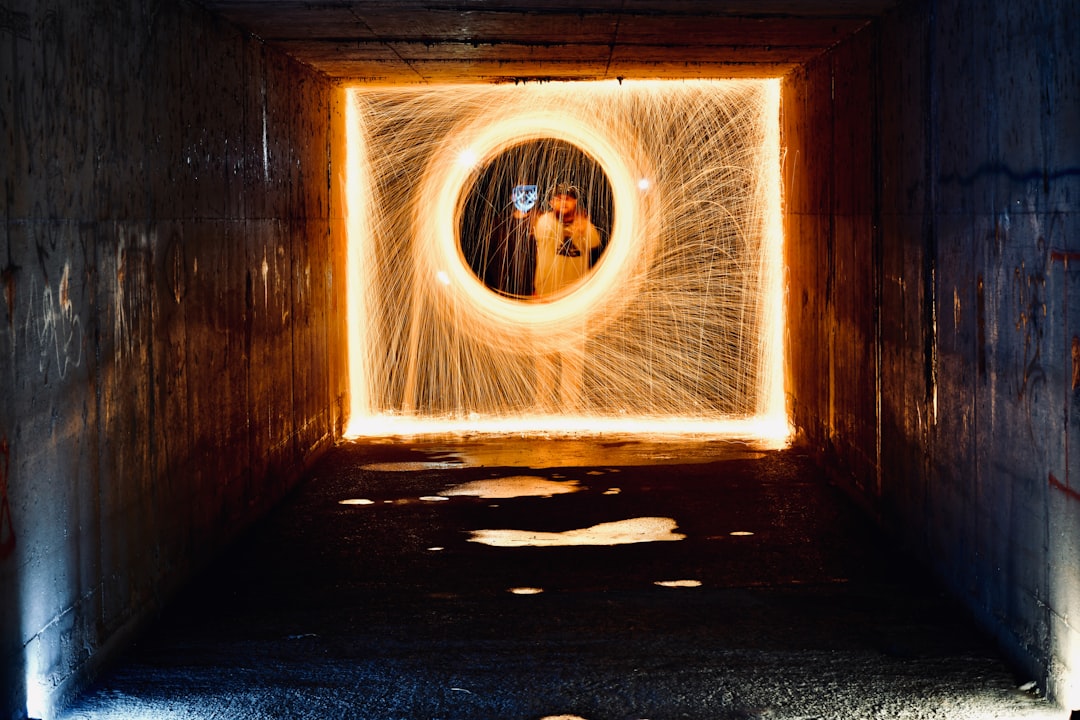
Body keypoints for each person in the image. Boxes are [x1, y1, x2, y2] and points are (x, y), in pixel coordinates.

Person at [530, 183, 602, 413]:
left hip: (574, 304)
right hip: (545, 302)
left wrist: (583, 227)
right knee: (544, 359)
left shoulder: (586, 227)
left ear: (575, 203)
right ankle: (543, 407)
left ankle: (569, 409)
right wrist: (571, 228)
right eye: (558, 199)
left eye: (568, 199)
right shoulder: (544, 223)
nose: (563, 203)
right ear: (551, 203)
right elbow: (546, 233)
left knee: (572, 360)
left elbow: (594, 243)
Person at [484, 183, 537, 297]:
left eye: (528, 192)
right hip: (500, 291)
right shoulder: (499, 224)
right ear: (512, 197)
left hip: (529, 292)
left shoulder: (541, 223)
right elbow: (488, 256)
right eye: (520, 192)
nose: (524, 196)